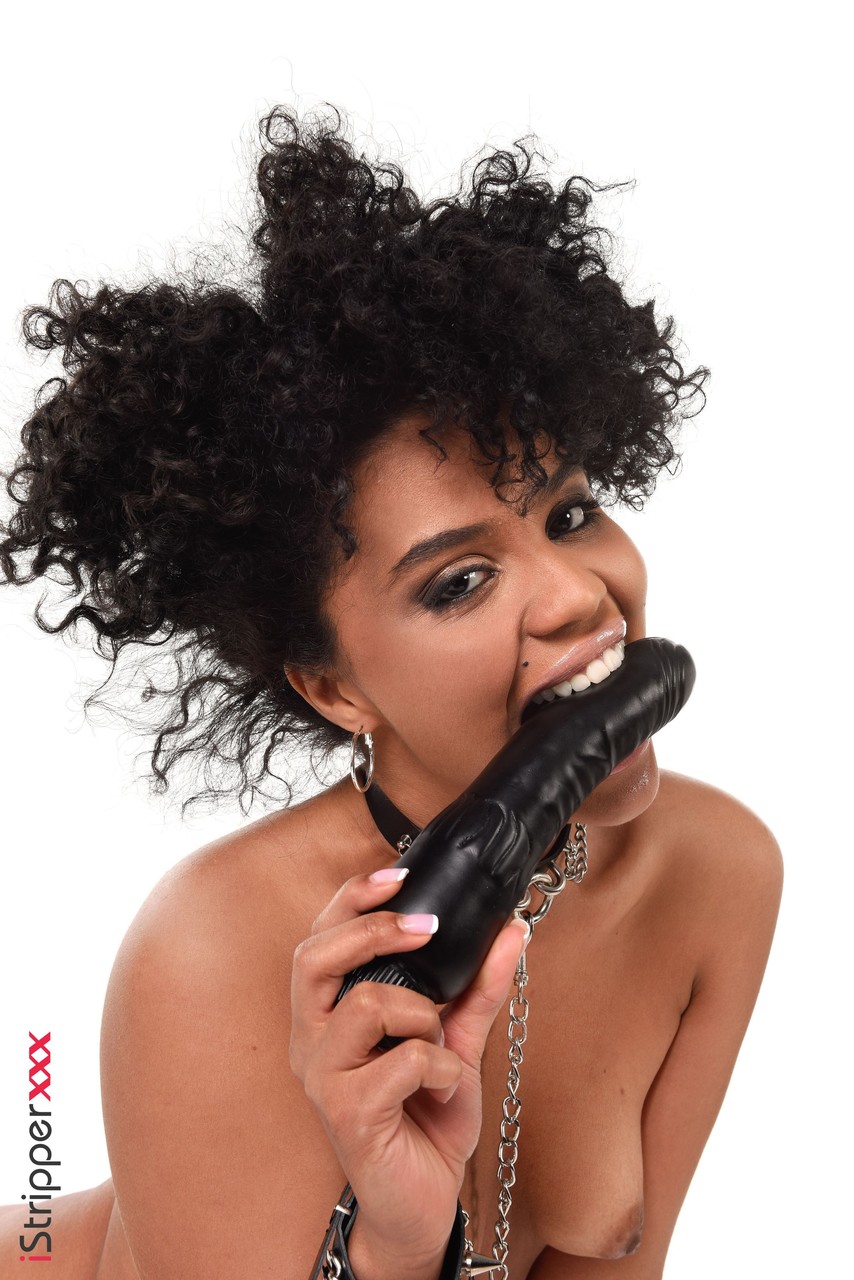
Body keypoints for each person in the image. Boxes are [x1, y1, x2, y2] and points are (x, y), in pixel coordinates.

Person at [0, 104, 782, 1280]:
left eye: (570, 512)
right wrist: (391, 1247)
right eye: (458, 580)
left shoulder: (719, 872)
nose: (579, 593)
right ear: (333, 685)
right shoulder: (211, 950)